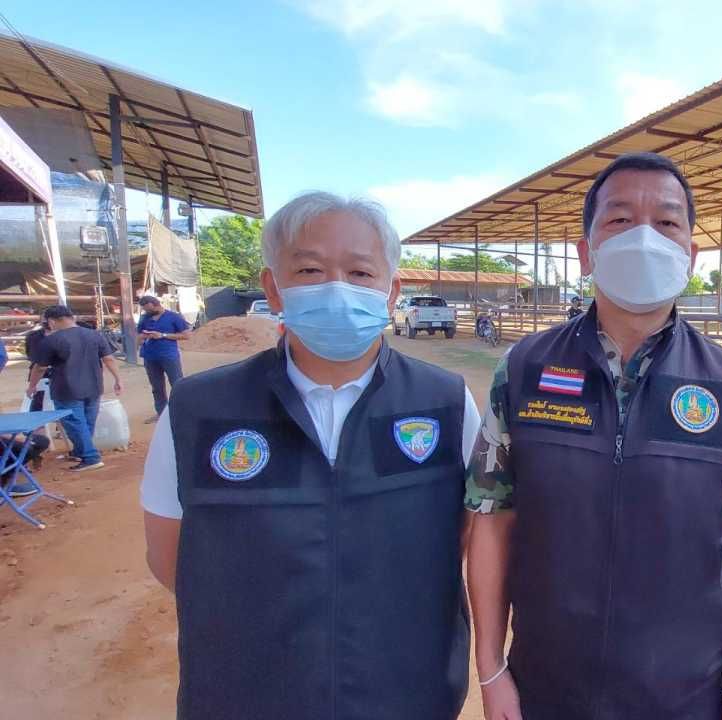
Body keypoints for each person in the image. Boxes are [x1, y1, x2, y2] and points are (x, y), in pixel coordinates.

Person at [467, 152, 722, 720]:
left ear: (690, 254)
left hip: (684, 697)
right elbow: (492, 525)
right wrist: (491, 671)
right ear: (586, 252)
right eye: (619, 219)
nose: (644, 237)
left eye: (666, 222)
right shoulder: (523, 370)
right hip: (546, 689)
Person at [140, 192, 481, 720]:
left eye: (360, 273)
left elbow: (461, 539)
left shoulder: (445, 402)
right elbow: (171, 559)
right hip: (247, 696)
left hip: (405, 691)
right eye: (310, 270)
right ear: (273, 287)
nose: (337, 289)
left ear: (392, 291)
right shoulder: (199, 409)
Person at [26, 305, 122, 472]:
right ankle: (80, 452)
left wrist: (32, 385)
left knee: (74, 423)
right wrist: (117, 379)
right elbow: (109, 359)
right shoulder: (94, 334)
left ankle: (90, 457)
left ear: (52, 321)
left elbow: (40, 367)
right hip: (94, 385)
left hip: (66, 388)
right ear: (72, 317)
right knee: (87, 422)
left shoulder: (52, 340)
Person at [136, 295, 191, 423]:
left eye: (148, 309)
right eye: (145, 310)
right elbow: (138, 336)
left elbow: (186, 335)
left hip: (169, 356)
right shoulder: (145, 318)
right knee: (157, 387)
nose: (146, 312)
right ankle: (161, 414)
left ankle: (182, 412)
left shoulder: (174, 317)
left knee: (177, 384)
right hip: (150, 357)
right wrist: (142, 337)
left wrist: (163, 335)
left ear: (156, 305)